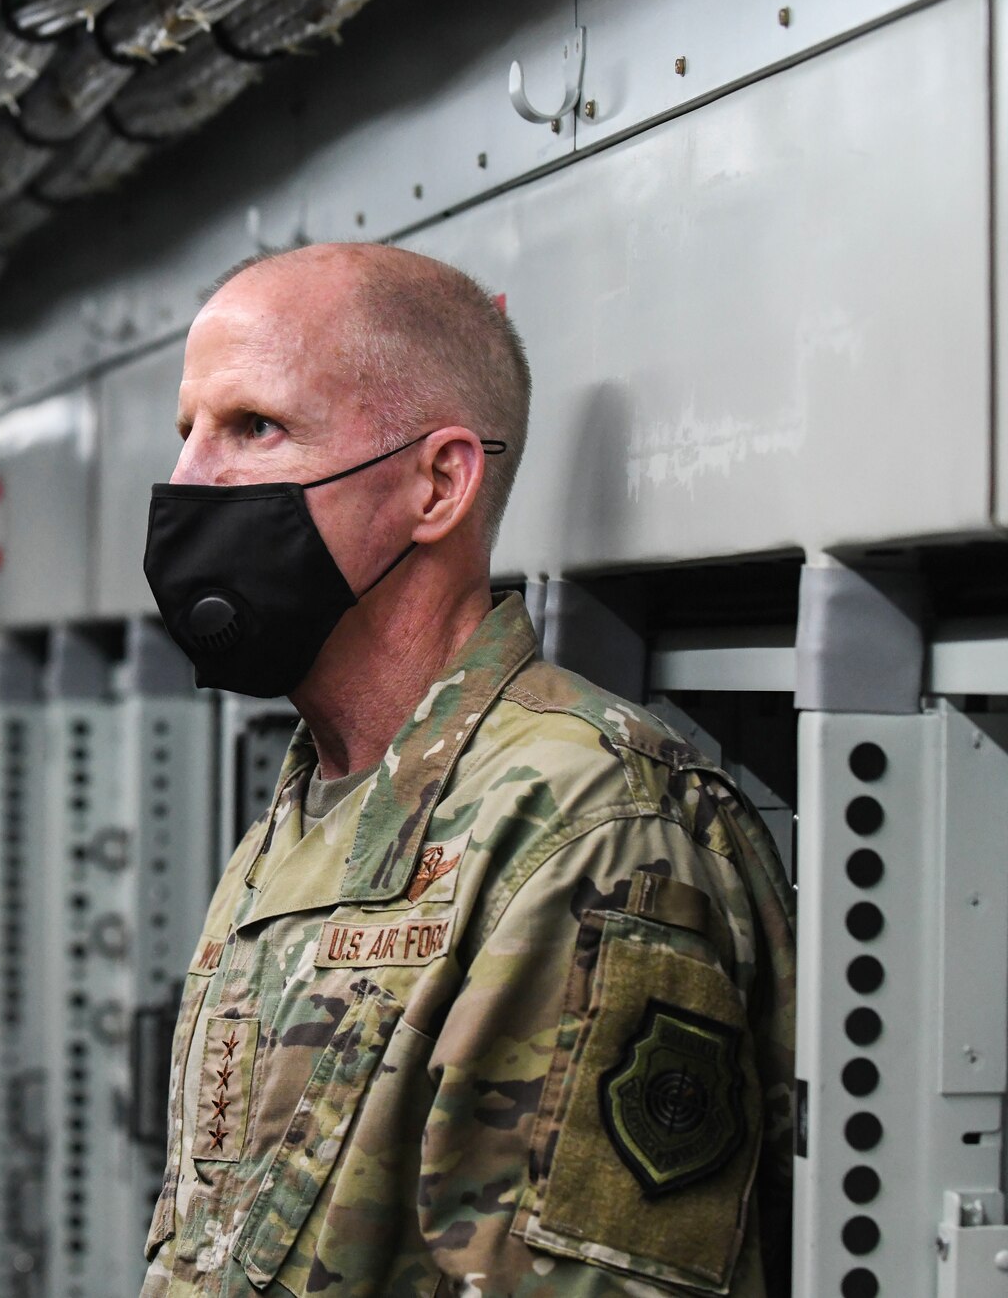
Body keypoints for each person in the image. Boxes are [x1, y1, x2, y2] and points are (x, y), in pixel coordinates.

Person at [137, 243, 795, 1296]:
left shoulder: (583, 828)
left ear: (437, 482)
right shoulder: (315, 798)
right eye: (187, 434)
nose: (187, 484)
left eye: (252, 428)